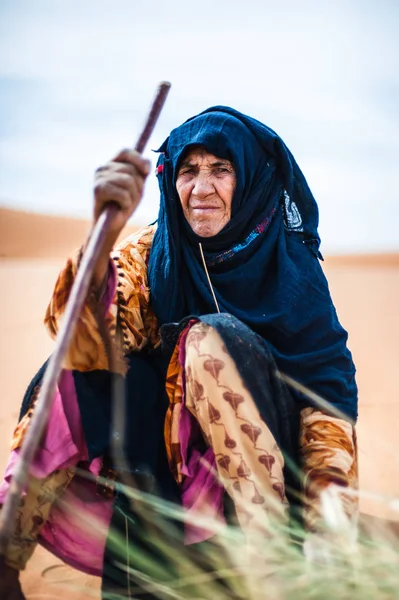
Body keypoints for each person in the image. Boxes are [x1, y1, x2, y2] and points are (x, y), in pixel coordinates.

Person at [0, 106, 358, 599]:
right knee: (68, 373)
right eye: (188, 171)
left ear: (251, 179)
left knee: (209, 341)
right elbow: (90, 339)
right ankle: (5, 552)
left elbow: (326, 403)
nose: (201, 188)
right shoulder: (154, 250)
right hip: (156, 488)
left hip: (261, 496)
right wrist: (102, 236)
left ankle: (273, 571)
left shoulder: (293, 275)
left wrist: (328, 525)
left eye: (221, 170)